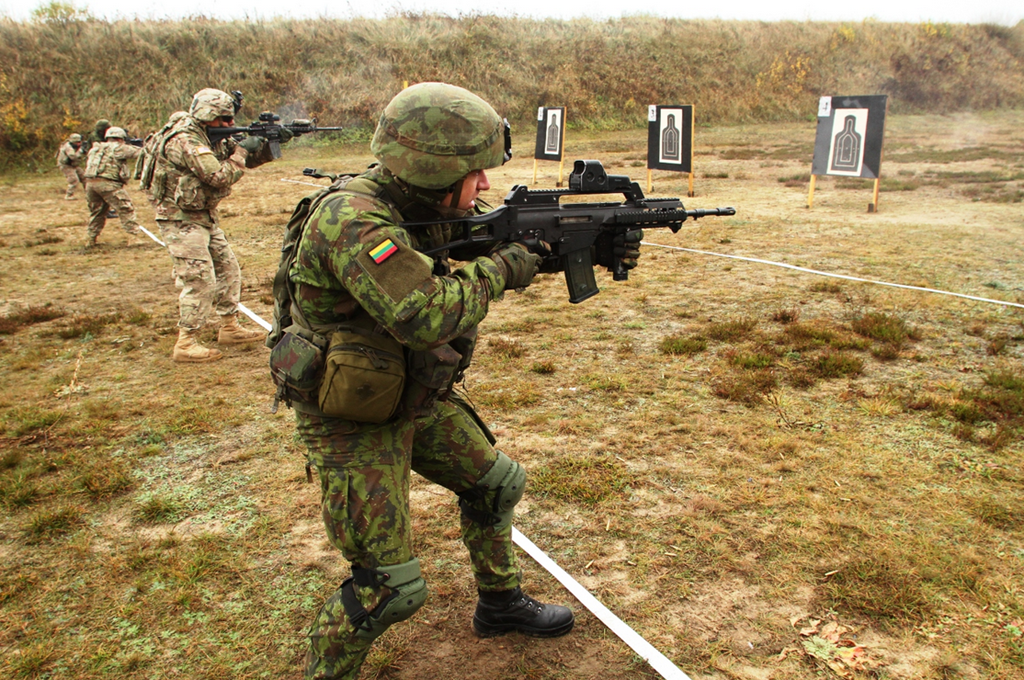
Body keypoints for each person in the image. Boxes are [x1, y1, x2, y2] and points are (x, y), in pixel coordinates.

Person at [272, 82, 575, 680]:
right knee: (391, 590)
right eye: (476, 172)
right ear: (437, 170)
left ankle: (499, 605)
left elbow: (488, 237)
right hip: (349, 412)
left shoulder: (426, 205)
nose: (485, 185)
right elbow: (424, 313)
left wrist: (557, 245)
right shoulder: (354, 219)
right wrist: (507, 266)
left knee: (496, 485)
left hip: (408, 393)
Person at [151, 88, 281, 363]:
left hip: (202, 215)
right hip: (179, 218)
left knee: (228, 269)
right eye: (224, 120)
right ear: (207, 116)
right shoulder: (186, 140)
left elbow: (245, 161)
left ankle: (229, 326)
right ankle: (186, 342)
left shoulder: (209, 136)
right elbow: (219, 176)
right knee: (199, 279)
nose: (230, 125)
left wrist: (268, 145)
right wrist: (243, 148)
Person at [82, 126, 144, 248]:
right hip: (108, 183)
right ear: (121, 138)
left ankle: (91, 238)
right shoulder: (119, 148)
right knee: (125, 208)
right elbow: (140, 153)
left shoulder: (96, 148)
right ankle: (134, 236)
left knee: (97, 212)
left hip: (90, 184)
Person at [56, 133, 85, 199]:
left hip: (73, 165)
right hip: (66, 165)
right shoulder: (68, 147)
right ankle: (69, 195)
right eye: (78, 142)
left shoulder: (73, 146)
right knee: (74, 179)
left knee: (84, 177)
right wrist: (81, 150)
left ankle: (89, 193)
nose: (79, 143)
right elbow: (73, 157)